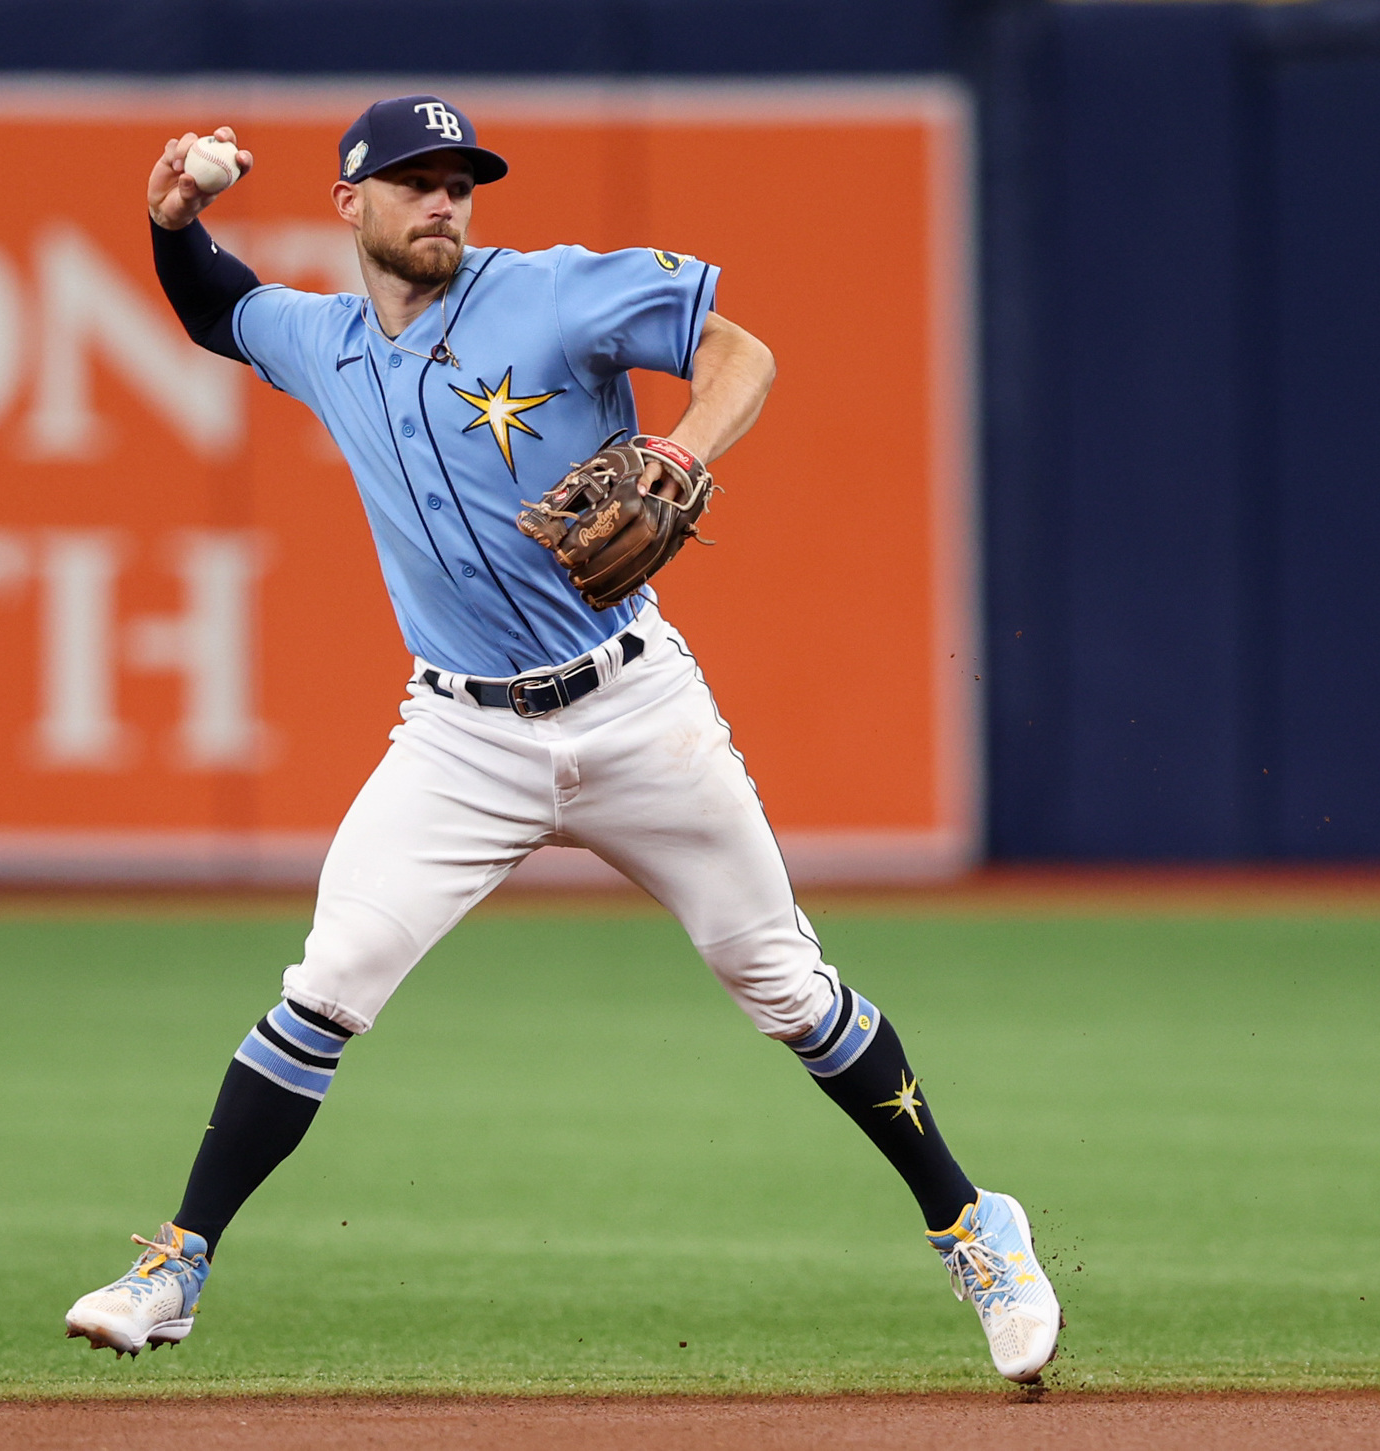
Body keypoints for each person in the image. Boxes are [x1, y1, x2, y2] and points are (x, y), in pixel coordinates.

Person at [62, 95, 1061, 1383]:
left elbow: (742, 352)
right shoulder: (324, 341)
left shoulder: (554, 293)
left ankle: (976, 1226)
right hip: (459, 738)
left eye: (459, 182)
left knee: (785, 991)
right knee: (331, 978)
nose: (443, 202)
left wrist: (685, 451)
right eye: (414, 182)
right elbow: (217, 307)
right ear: (348, 205)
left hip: (635, 708)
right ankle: (176, 1268)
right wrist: (172, 220)